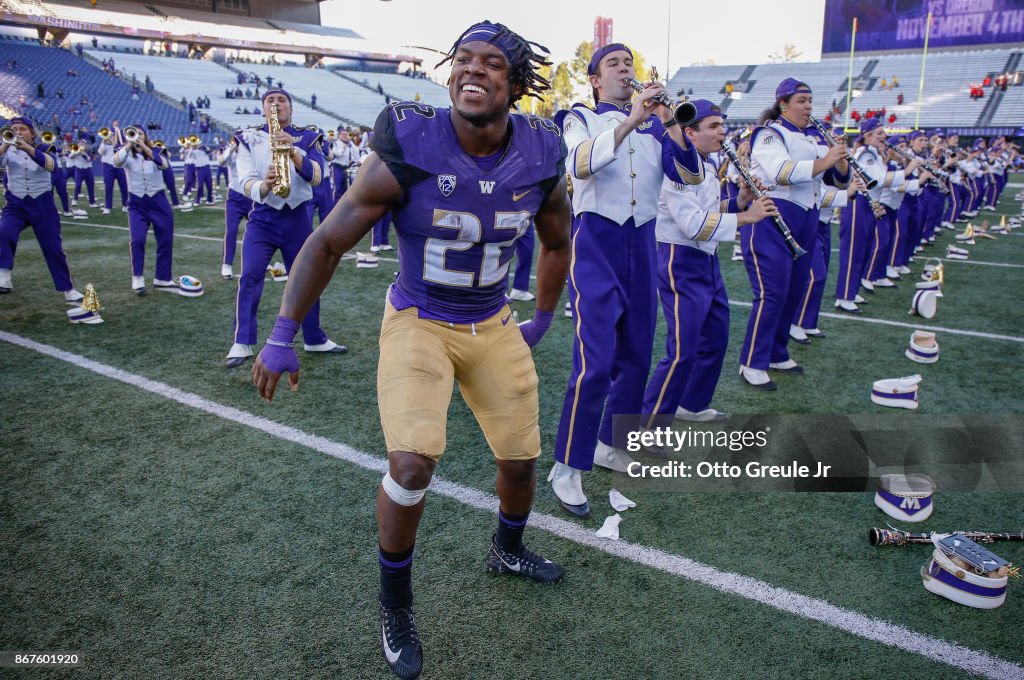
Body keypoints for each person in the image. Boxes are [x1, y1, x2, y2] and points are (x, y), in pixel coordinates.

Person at [250, 22, 571, 680]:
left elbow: (557, 239)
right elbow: (329, 240)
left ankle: (506, 550)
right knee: (413, 459)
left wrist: (541, 316)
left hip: (491, 321)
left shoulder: (541, 153)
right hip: (419, 318)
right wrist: (283, 331)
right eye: (463, 60)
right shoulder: (411, 141)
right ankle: (394, 603)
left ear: (514, 84)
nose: (471, 71)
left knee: (520, 461)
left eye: (490, 64)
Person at [548, 42, 703, 516]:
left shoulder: (658, 127)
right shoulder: (579, 117)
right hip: (596, 246)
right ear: (595, 79)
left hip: (643, 245)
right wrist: (634, 119)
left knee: (635, 360)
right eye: (613, 65)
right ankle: (566, 466)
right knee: (594, 363)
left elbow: (691, 177)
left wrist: (674, 123)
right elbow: (576, 165)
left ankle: (609, 442)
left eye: (629, 65)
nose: (625, 70)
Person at [642, 102, 777, 425]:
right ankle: (648, 423)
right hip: (680, 259)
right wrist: (748, 217)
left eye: (721, 125)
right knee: (682, 350)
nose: (722, 132)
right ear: (690, 132)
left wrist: (741, 200)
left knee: (715, 336)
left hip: (706, 258)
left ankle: (692, 402)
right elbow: (692, 223)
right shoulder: (676, 166)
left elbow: (711, 208)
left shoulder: (704, 162)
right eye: (714, 126)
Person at [225, 88, 345, 368]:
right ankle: (242, 341)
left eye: (281, 100)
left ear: (291, 108)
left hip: (297, 218)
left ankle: (313, 338)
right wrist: (265, 185)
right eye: (270, 101)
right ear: (263, 109)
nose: (276, 104)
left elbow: (318, 176)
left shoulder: (307, 136)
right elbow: (244, 181)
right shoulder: (249, 138)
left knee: (307, 278)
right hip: (263, 218)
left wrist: (293, 151)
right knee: (251, 275)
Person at [741, 78, 848, 388]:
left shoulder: (813, 140)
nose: (808, 107)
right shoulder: (769, 134)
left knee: (794, 289)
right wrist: (825, 160)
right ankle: (752, 361)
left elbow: (837, 182)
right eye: (802, 101)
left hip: (807, 217)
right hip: (774, 214)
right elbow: (780, 172)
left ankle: (776, 351)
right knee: (772, 292)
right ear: (783, 104)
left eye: (810, 101)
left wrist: (838, 160)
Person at [0, 117, 83, 303]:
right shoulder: (8, 152)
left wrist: (27, 148)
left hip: (43, 205)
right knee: (4, 232)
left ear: (31, 133)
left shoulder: (45, 148)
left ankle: (68, 289)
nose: (18, 132)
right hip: (16, 204)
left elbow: (51, 166)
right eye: (14, 129)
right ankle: (4, 275)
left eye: (22, 129)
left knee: (53, 249)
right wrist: (5, 145)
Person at [833, 117, 903, 313]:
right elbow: (877, 179)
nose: (884, 136)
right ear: (868, 135)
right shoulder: (866, 154)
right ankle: (844, 295)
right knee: (854, 251)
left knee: (863, 250)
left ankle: (852, 290)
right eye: (879, 133)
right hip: (859, 203)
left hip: (870, 204)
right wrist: (909, 171)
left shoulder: (875, 154)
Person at [112, 126, 178, 295]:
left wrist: (146, 148)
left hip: (159, 202)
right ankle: (137, 277)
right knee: (138, 240)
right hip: (137, 204)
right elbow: (116, 161)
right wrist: (128, 145)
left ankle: (162, 278)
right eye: (134, 134)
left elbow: (164, 165)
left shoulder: (156, 151)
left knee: (165, 240)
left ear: (146, 136)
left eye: (140, 134)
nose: (137, 137)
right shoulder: (126, 154)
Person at [218, 136, 252, 279]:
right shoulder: (231, 153)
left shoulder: (251, 153)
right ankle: (227, 264)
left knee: (258, 231)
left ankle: (257, 261)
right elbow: (221, 161)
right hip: (235, 198)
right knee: (231, 231)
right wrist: (231, 148)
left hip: (251, 197)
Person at [99, 121, 129, 214]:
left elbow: (120, 151)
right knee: (108, 187)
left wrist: (114, 142)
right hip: (107, 166)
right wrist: (104, 140)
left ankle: (125, 204)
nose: (110, 137)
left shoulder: (119, 145)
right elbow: (101, 152)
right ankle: (108, 206)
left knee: (124, 186)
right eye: (109, 136)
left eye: (112, 136)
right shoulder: (104, 145)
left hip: (119, 166)